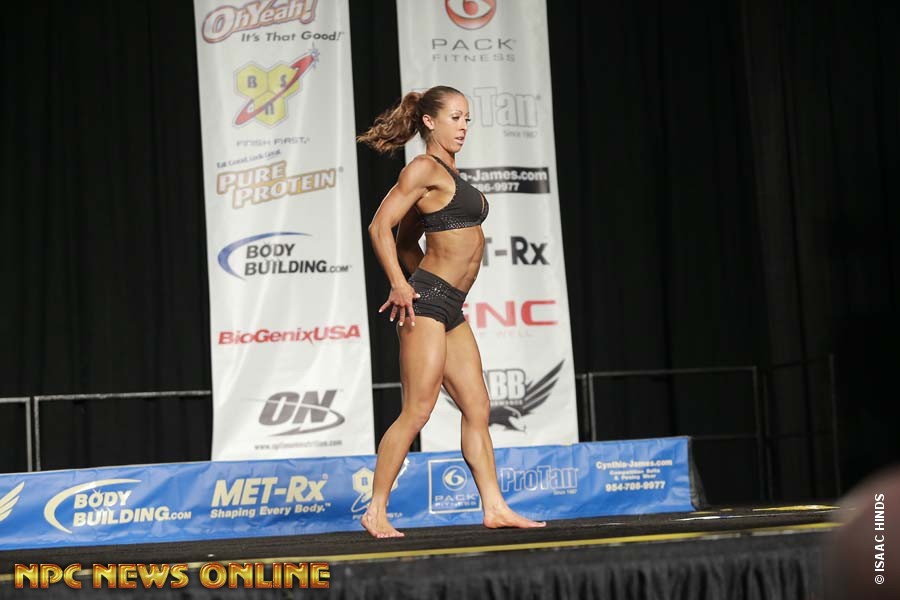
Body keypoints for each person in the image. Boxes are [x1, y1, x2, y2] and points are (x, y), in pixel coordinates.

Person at [357, 85, 547, 538]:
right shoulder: (423, 167)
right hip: (426, 305)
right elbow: (380, 226)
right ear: (430, 121)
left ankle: (495, 507)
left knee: (478, 406)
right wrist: (403, 285)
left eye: (467, 119)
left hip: (449, 307)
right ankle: (376, 510)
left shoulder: (447, 173)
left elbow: (408, 241)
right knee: (417, 411)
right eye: (455, 118)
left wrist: (429, 283)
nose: (463, 127)